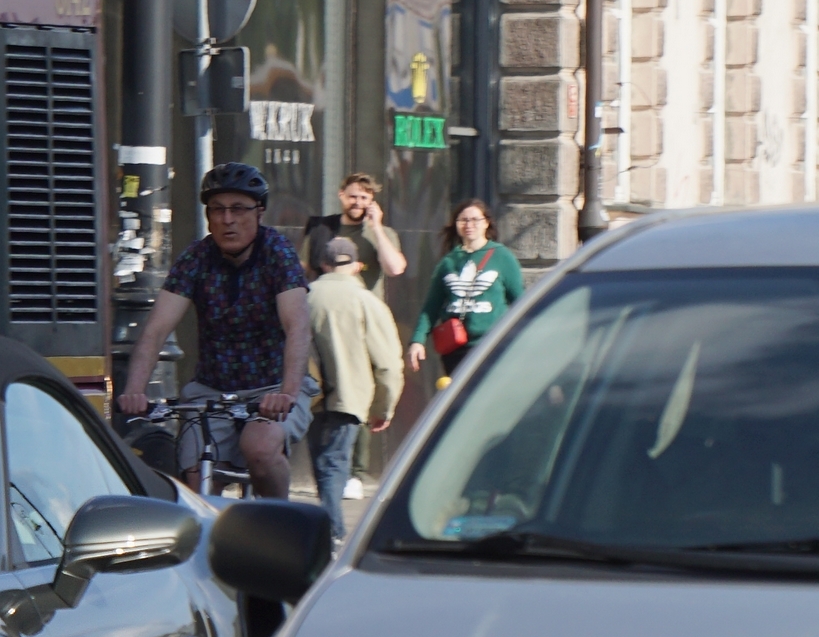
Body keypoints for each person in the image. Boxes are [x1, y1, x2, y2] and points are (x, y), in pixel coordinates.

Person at [116, 162, 317, 500]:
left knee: (260, 448)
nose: (227, 219)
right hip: (211, 390)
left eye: (238, 209)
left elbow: (297, 327)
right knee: (195, 481)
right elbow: (155, 331)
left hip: (271, 388)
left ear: (259, 212)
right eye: (217, 210)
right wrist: (135, 389)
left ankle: (281, 527)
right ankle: (208, 548)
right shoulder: (195, 258)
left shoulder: (277, 253)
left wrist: (286, 392)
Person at [305, 237, 405, 543]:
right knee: (335, 464)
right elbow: (388, 364)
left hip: (306, 396)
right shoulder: (367, 302)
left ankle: (326, 529)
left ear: (322, 264)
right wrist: (383, 409)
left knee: (322, 465)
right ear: (357, 265)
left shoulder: (303, 297)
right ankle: (332, 533)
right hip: (349, 397)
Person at [410, 199, 524, 379]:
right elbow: (431, 307)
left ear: (486, 223)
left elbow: (520, 302)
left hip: (489, 346)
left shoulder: (502, 257)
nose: (469, 225)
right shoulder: (448, 262)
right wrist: (417, 341)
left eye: (475, 220)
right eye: (463, 220)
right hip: (455, 348)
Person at [303, 172, 407, 291]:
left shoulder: (384, 234)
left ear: (371, 200)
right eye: (352, 197)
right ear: (341, 194)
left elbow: (395, 269)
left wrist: (377, 228)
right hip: (328, 302)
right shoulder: (321, 228)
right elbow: (304, 268)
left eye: (364, 198)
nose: (357, 203)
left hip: (363, 306)